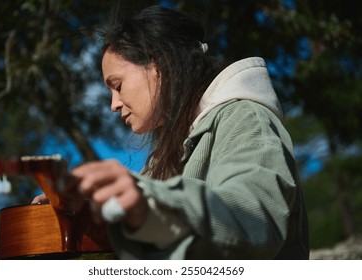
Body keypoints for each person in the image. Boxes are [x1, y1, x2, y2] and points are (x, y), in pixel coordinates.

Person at [33, 5, 309, 259]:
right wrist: (86, 212)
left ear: (159, 66)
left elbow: (253, 217)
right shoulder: (165, 154)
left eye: (117, 85)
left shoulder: (246, 119)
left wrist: (147, 203)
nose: (113, 105)